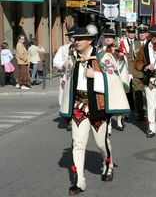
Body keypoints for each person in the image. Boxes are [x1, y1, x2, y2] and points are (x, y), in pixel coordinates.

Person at [58, 25, 130, 195]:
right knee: (78, 143)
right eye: (75, 38)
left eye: (80, 38)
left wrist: (95, 76)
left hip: (98, 106)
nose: (76, 41)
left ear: (90, 40)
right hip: (78, 107)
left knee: (100, 143)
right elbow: (65, 80)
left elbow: (114, 80)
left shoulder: (103, 57)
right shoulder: (72, 59)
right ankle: (79, 181)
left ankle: (108, 164)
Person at [53, 25, 78, 132]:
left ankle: (78, 118)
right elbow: (56, 61)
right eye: (72, 36)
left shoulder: (82, 48)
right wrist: (63, 65)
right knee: (64, 98)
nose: (73, 38)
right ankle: (69, 120)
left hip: (79, 77)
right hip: (66, 77)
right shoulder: (63, 48)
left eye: (75, 36)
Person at [128, 24, 149, 121]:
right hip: (137, 73)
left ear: (147, 33)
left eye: (143, 32)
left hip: (149, 73)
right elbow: (130, 59)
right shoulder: (134, 44)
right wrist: (131, 72)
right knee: (138, 94)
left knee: (149, 94)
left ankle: (150, 113)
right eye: (140, 33)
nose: (142, 35)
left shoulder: (150, 43)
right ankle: (140, 113)